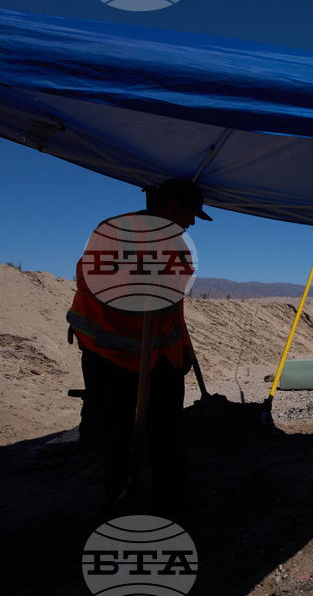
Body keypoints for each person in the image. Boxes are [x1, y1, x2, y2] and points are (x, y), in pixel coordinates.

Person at [67, 178, 212, 520]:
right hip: (113, 358)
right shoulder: (116, 231)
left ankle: (172, 507)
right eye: (190, 214)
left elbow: (174, 305)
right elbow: (89, 281)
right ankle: (120, 507)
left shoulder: (177, 245)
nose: (192, 222)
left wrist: (185, 349)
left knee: (170, 438)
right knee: (117, 439)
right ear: (172, 206)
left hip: (163, 357)